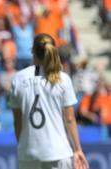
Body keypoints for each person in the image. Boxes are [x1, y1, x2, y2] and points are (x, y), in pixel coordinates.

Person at [9, 33, 89, 169]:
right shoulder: (62, 78)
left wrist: (22, 146)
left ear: (32, 51)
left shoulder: (18, 78)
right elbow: (69, 119)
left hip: (29, 154)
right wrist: (77, 149)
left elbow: (18, 122)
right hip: (58, 152)